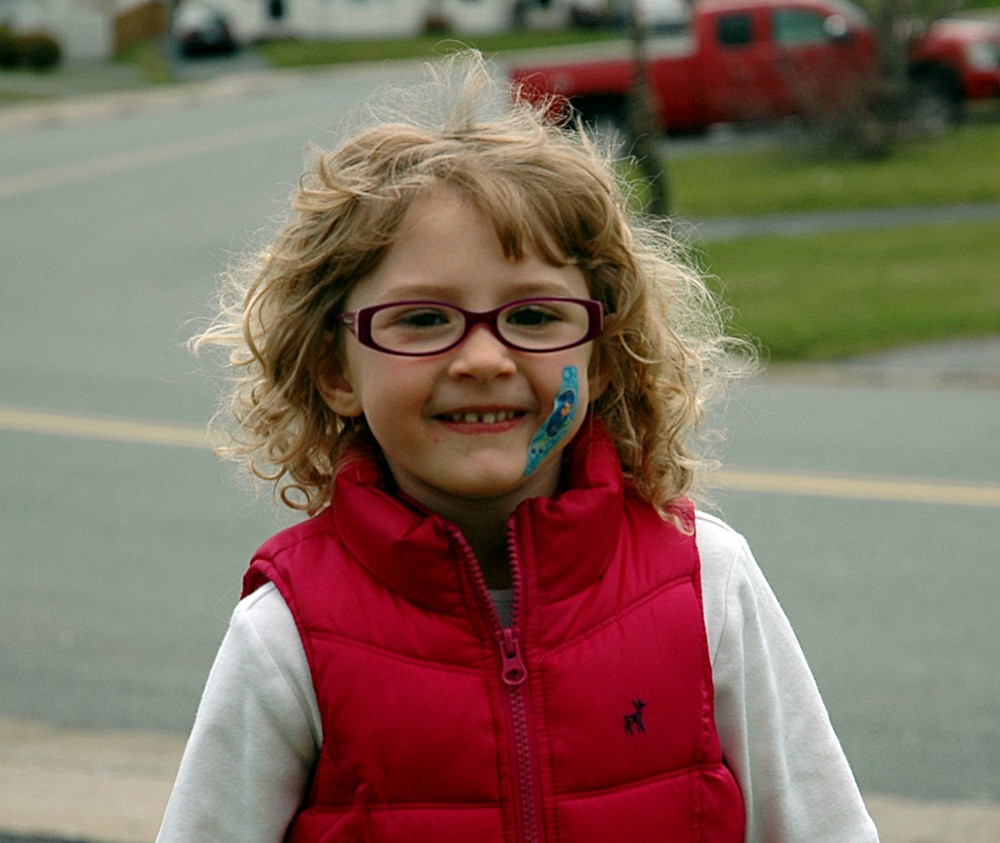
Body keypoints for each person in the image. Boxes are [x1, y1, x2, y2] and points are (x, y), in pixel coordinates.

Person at [157, 52, 879, 842]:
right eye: (422, 319)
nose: (483, 358)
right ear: (335, 369)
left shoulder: (706, 582)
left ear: (601, 355)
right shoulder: (288, 631)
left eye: (533, 317)